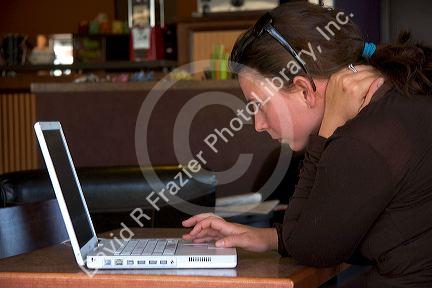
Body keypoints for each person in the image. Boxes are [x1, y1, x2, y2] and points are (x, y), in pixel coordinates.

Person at [181, 2, 432, 287]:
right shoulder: (391, 104)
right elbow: (344, 232)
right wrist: (269, 238)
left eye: (259, 105)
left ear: (304, 90)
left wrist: (326, 134)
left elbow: (312, 249)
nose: (258, 124)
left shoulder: (364, 137)